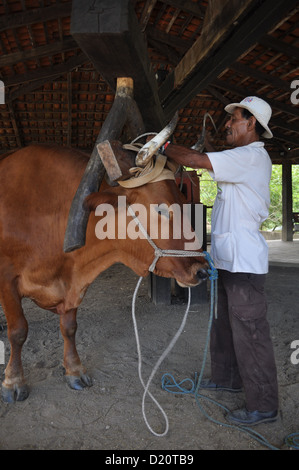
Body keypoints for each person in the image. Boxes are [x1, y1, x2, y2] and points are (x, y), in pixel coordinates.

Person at [163, 96, 279, 426]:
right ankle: (227, 378)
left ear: (251, 123)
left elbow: (197, 159)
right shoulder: (240, 157)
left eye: (234, 119)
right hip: (228, 260)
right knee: (223, 325)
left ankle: (265, 406)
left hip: (244, 264)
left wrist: (164, 146)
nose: (228, 123)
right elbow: (212, 156)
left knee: (251, 333)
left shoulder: (252, 156)